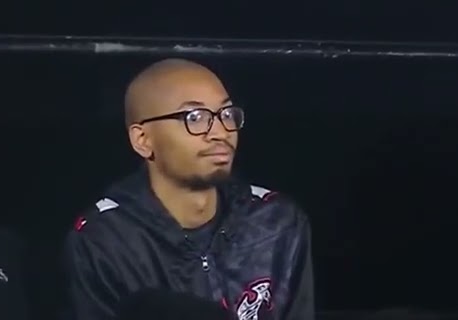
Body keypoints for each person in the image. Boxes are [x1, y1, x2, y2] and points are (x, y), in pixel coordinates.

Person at [63, 59, 315, 320]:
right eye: (195, 118)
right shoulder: (106, 239)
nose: (220, 132)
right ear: (142, 140)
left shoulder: (275, 221)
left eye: (226, 114)